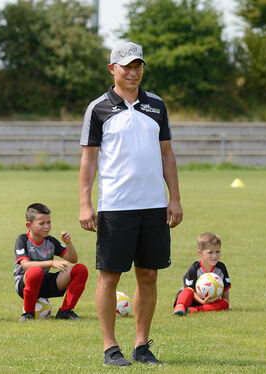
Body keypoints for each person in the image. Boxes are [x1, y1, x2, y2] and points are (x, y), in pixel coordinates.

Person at [78, 41, 183, 366]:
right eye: (127, 66)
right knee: (109, 277)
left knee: (148, 275)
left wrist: (174, 198)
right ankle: (111, 347)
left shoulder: (156, 106)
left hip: (153, 206)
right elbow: (88, 159)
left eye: (138, 66)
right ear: (113, 69)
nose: (134, 72)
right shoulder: (98, 108)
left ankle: (141, 345)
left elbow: (167, 154)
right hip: (115, 207)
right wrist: (85, 202)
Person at [14, 203, 88, 321]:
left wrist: (68, 243)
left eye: (48, 222)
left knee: (80, 269)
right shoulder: (22, 240)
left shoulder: (51, 241)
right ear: (29, 225)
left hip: (44, 282)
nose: (46, 226)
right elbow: (25, 265)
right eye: (41, 223)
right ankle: (28, 314)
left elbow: (73, 259)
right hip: (25, 284)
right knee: (35, 272)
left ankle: (65, 311)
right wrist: (52, 263)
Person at [173, 233, 231, 315]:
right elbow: (190, 289)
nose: (214, 256)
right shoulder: (195, 268)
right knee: (187, 291)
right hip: (192, 299)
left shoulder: (221, 268)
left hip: (212, 300)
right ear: (200, 253)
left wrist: (223, 302)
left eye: (217, 251)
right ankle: (180, 306)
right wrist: (202, 301)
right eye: (210, 252)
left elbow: (225, 290)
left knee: (224, 304)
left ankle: (192, 310)